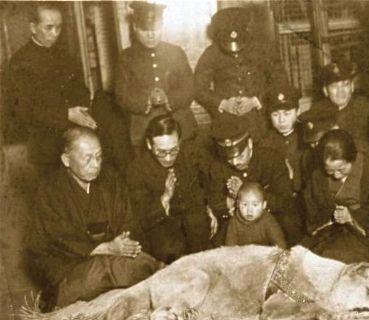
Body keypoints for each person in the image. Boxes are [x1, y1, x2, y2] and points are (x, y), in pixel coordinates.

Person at [27, 127, 161, 320]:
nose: (95, 164)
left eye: (98, 156)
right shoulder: (49, 190)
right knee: (107, 268)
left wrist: (123, 241)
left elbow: (127, 218)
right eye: (87, 158)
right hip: (68, 268)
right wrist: (106, 247)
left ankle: (167, 281)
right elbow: (56, 237)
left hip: (112, 257)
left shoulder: (110, 179)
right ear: (66, 160)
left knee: (142, 268)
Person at [4, 2, 131, 177]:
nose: (54, 34)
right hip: (45, 142)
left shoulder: (64, 55)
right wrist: (67, 115)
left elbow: (81, 89)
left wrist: (82, 111)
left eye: (59, 27)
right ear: (33, 27)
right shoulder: (20, 63)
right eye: (49, 28)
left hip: (77, 130)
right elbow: (23, 111)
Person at [126, 115, 216, 263]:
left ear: (179, 142)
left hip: (194, 221)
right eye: (161, 152)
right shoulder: (137, 170)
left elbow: (211, 179)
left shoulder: (192, 153)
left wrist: (209, 206)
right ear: (149, 145)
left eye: (173, 150)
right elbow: (142, 219)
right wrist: (165, 198)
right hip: (162, 228)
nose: (168, 158)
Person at [194, 7, 287, 142]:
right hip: (227, 122)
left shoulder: (263, 49)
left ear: (246, 32)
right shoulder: (211, 53)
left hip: (261, 121)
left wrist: (257, 100)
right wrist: (222, 103)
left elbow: (280, 80)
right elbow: (198, 88)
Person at [115, 1, 198, 150]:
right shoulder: (126, 58)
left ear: (162, 26)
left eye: (156, 29)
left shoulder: (176, 52)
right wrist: (146, 100)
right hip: (143, 130)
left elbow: (190, 88)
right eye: (144, 30)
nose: (151, 35)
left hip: (181, 127)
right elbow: (121, 95)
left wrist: (169, 99)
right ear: (135, 28)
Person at [207, 114, 295, 246]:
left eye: (240, 155)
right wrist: (233, 200)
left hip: (270, 222)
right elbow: (213, 199)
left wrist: (246, 192)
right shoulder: (217, 166)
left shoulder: (271, 159)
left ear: (249, 143)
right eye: (229, 158)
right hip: (237, 225)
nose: (235, 162)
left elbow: (285, 200)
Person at [302, 130, 369, 264]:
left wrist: (351, 217)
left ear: (352, 159)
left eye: (341, 169)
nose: (335, 175)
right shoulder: (317, 175)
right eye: (329, 170)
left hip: (361, 234)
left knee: (346, 259)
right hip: (327, 232)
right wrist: (331, 217)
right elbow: (312, 210)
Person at [302, 59, 369, 157]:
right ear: (325, 91)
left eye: (345, 85)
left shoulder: (365, 107)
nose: (341, 91)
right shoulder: (317, 109)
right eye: (334, 86)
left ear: (352, 87)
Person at [225, 182, 286, 249]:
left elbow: (280, 245)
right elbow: (230, 248)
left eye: (255, 205)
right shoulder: (234, 221)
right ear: (238, 204)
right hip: (242, 257)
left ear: (264, 205)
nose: (249, 210)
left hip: (264, 256)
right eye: (245, 205)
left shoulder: (268, 220)